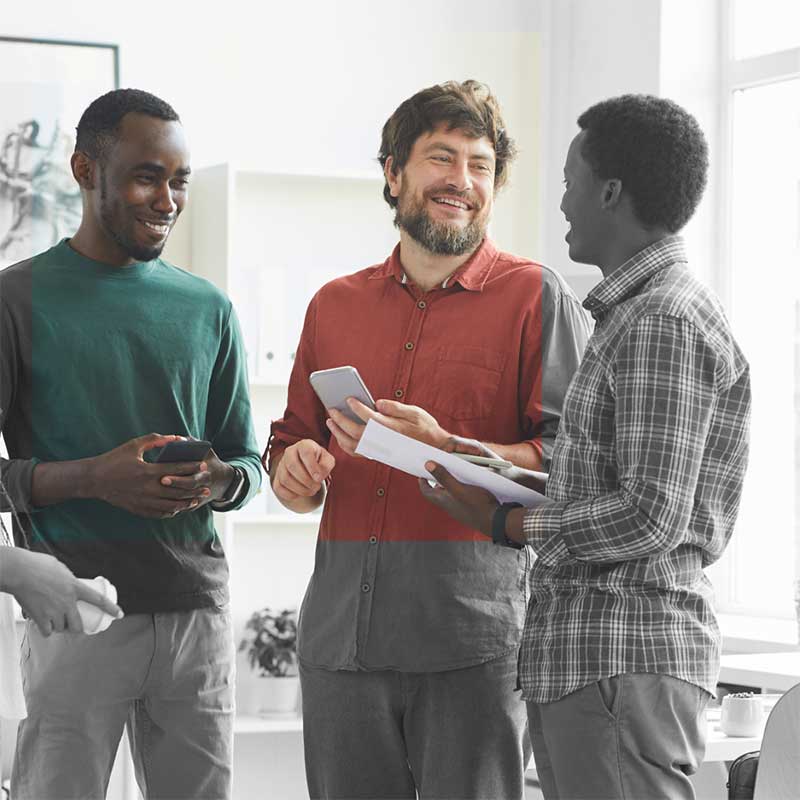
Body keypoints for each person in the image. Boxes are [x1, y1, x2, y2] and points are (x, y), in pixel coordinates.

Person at [266, 79, 591, 800]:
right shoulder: (334, 305)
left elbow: (572, 466)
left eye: (479, 165)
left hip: (469, 645)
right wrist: (293, 470)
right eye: (441, 158)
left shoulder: (536, 298)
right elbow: (289, 439)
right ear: (393, 172)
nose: (462, 182)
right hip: (341, 641)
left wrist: (449, 445)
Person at [421, 94, 751, 800]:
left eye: (570, 181)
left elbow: (648, 516)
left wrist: (509, 523)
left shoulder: (661, 319)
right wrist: (485, 468)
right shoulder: (631, 314)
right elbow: (614, 492)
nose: (562, 201)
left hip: (621, 663)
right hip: (597, 667)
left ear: (610, 191)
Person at [0, 88, 262, 800]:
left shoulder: (208, 308)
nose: (169, 199)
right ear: (86, 170)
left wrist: (221, 480)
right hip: (76, 613)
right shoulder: (14, 300)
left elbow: (248, 459)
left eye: (179, 180)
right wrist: (93, 478)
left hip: (196, 616)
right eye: (148, 176)